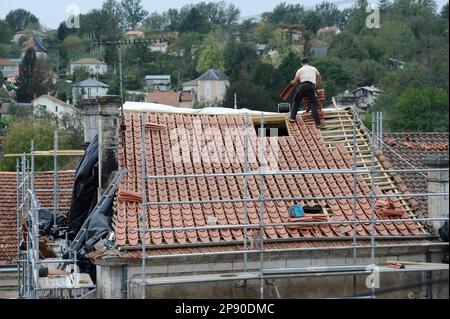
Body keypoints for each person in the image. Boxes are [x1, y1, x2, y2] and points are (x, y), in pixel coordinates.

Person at [288, 58, 322, 127]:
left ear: (301, 64)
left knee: (296, 101)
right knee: (314, 106)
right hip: (312, 87)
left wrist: (292, 82)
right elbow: (319, 78)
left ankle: (292, 118)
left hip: (303, 87)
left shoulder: (300, 70)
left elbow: (295, 82)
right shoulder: (314, 68)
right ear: (308, 63)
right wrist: (317, 86)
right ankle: (318, 123)